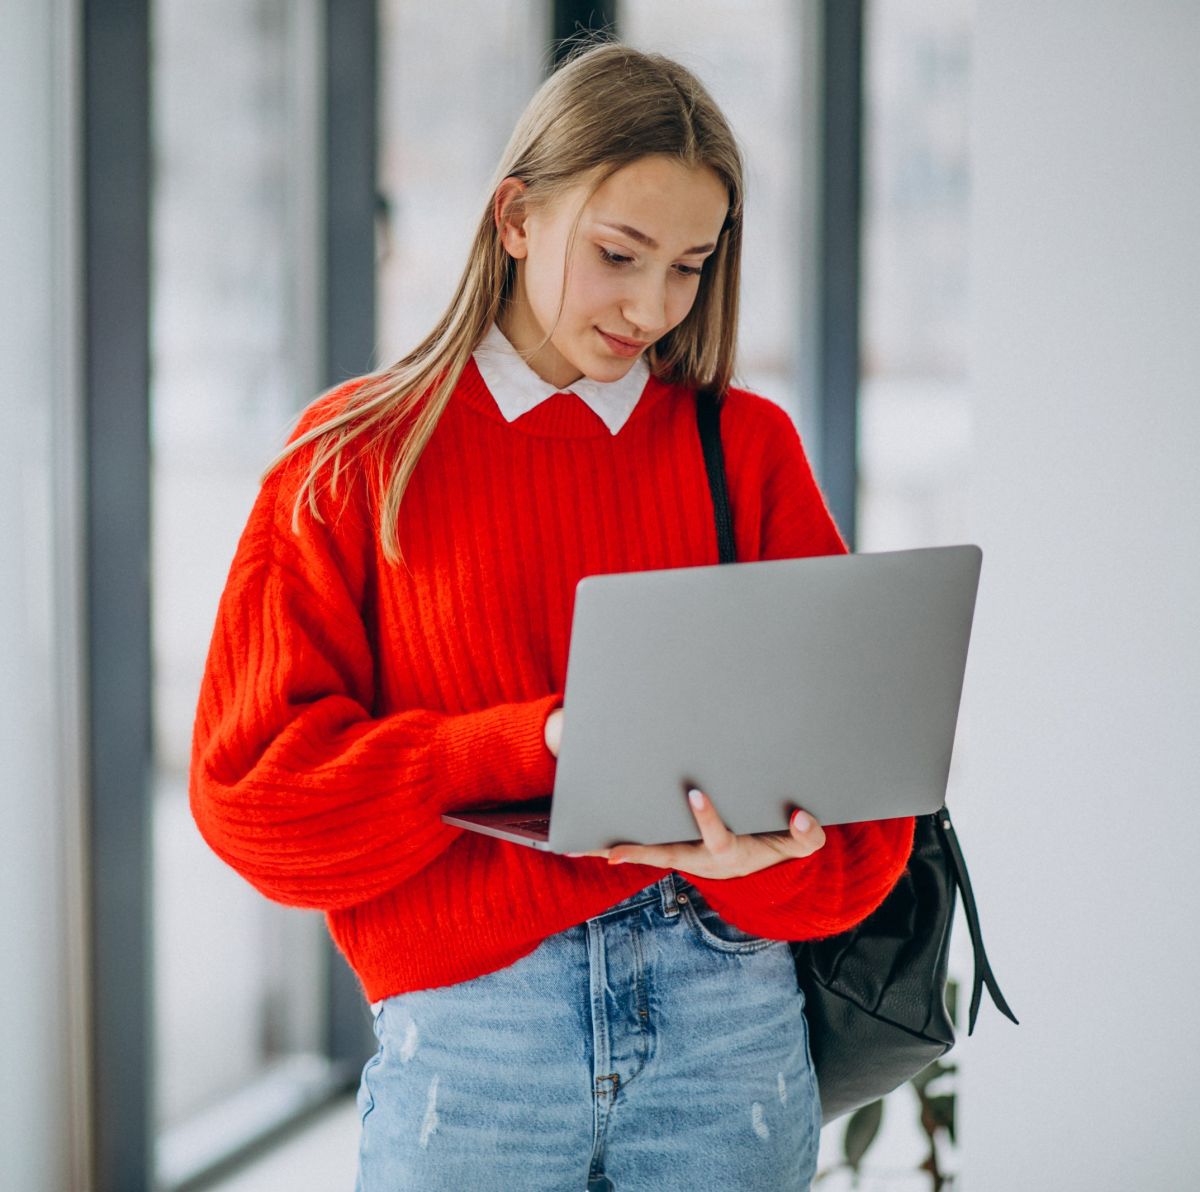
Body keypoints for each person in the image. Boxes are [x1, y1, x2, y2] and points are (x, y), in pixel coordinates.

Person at [189, 39, 914, 1191]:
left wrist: (745, 863)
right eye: (618, 253)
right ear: (515, 217)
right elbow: (258, 800)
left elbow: (867, 845)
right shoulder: (355, 457)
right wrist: (524, 743)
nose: (650, 305)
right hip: (476, 1039)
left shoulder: (748, 450)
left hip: (728, 1024)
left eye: (689, 265)